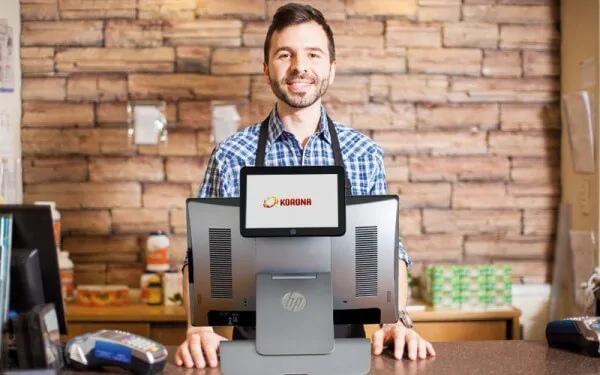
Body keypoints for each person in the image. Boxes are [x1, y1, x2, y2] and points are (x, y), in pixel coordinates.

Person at [175, 2, 436, 368]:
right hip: (252, 352)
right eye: (286, 54)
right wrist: (198, 327)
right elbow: (199, 258)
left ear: (331, 68)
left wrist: (396, 321)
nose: (300, 66)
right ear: (267, 69)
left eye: (313, 54)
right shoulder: (231, 156)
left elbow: (387, 253)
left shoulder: (364, 154)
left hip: (346, 350)